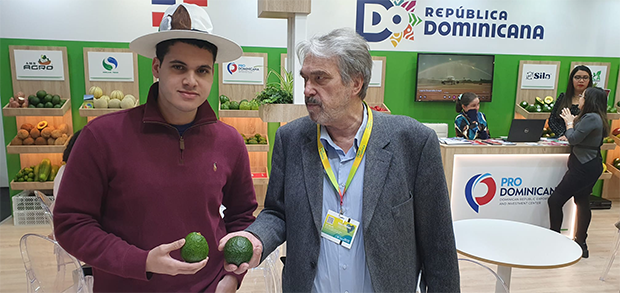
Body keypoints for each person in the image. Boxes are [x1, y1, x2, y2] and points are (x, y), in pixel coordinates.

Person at [218, 28, 460, 292]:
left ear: (355, 83)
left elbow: (438, 246)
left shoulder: (413, 142)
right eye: (305, 79)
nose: (308, 90)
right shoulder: (291, 139)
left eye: (320, 79)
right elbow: (277, 211)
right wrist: (257, 238)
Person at [53, 3, 257, 292]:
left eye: (202, 70)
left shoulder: (230, 142)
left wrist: (233, 279)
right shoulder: (101, 136)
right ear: (157, 67)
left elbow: (241, 218)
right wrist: (142, 260)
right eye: (178, 67)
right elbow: (72, 224)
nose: (191, 80)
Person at [547, 87, 609, 259]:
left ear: (590, 100)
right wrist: (571, 129)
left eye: (583, 96)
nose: (580, 98)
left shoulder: (591, 118)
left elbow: (574, 138)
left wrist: (569, 123)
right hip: (589, 165)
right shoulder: (596, 117)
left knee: (555, 200)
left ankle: (555, 240)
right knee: (582, 201)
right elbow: (577, 137)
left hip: (583, 167)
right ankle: (581, 243)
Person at [549, 65, 593, 139]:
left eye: (585, 77)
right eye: (577, 77)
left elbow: (590, 124)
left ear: (590, 80)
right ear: (571, 79)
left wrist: (572, 135)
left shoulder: (592, 100)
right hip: (561, 139)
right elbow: (552, 120)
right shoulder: (563, 97)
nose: (581, 81)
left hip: (581, 140)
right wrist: (563, 134)